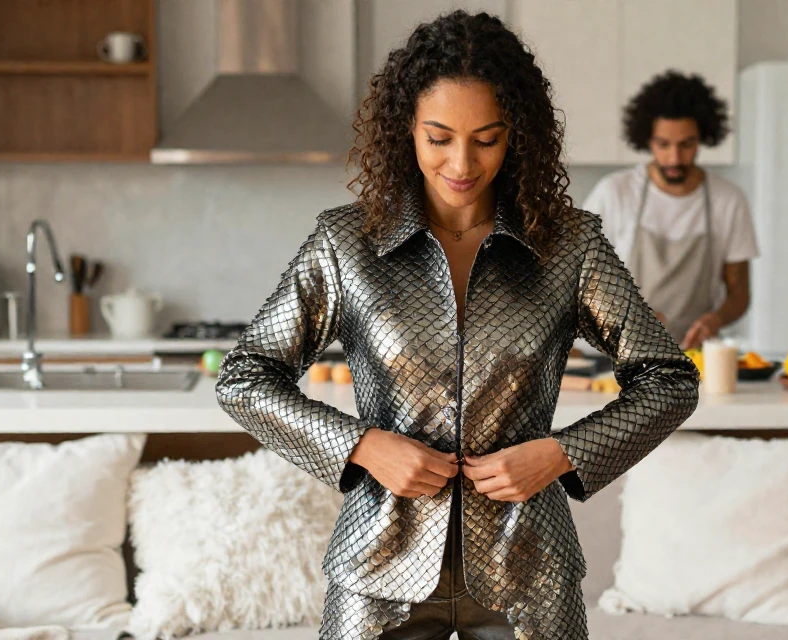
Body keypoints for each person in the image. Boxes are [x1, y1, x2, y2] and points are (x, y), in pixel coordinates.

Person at [216, 11, 699, 640]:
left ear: (516, 136)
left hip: (528, 569)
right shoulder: (345, 244)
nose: (462, 162)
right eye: (439, 137)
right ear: (405, 131)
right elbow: (244, 377)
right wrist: (363, 446)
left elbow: (671, 380)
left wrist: (560, 454)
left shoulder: (570, 246)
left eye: (487, 138)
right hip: (377, 568)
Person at [583, 70, 760, 350]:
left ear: (703, 138)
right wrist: (625, 316)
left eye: (686, 144)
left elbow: (739, 293)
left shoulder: (728, 201)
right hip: (621, 358)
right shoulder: (614, 193)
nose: (674, 158)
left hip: (696, 359)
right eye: (663, 145)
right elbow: (578, 281)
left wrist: (716, 319)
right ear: (647, 140)